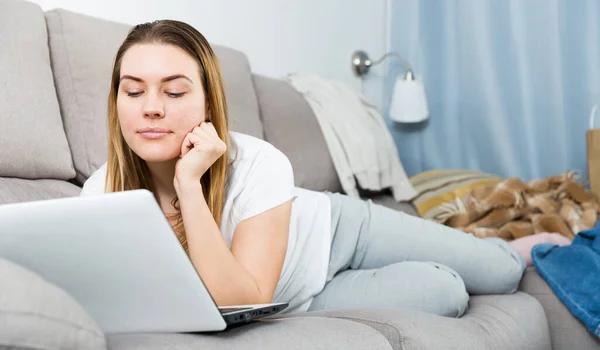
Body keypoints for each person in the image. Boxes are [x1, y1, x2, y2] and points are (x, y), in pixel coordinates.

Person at [81, 19, 571, 317]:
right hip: (295, 298)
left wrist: (190, 183)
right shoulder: (101, 193)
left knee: (500, 273)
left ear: (209, 103)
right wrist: (188, 185)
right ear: (116, 101)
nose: (150, 107)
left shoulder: (258, 162)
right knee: (444, 289)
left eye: (173, 91)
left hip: (341, 232)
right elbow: (246, 303)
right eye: (133, 90)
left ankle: (511, 248)